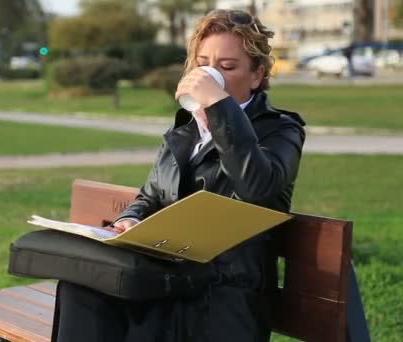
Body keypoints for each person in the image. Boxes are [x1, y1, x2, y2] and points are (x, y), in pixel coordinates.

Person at [51, 9, 306, 342]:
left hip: (221, 296)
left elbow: (257, 187)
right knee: (80, 286)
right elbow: (150, 195)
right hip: (168, 281)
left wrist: (219, 106)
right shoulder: (185, 132)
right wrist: (129, 219)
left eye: (227, 67)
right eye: (203, 64)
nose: (211, 75)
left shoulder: (281, 131)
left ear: (257, 76)